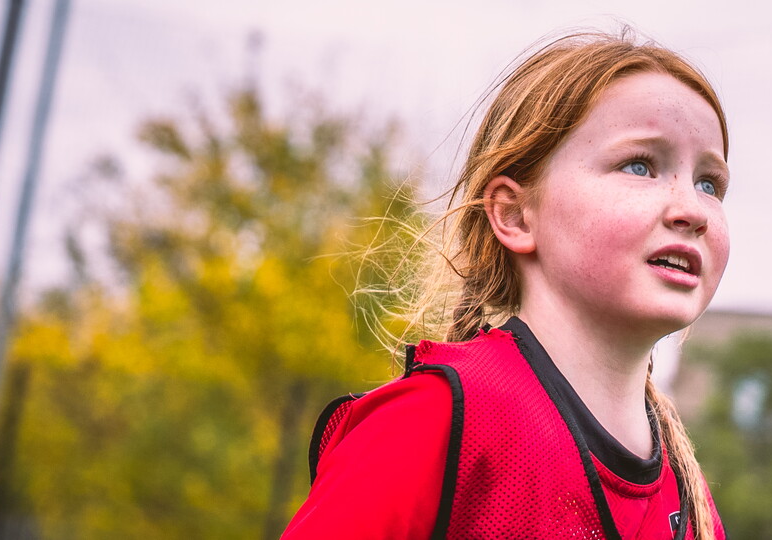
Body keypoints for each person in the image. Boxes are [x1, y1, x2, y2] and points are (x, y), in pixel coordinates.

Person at [283, 30, 730, 540]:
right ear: (515, 215)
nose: (693, 210)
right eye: (640, 165)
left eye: (709, 183)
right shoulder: (430, 423)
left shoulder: (689, 499)